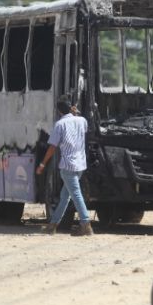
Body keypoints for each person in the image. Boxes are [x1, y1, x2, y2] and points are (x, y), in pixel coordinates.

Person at [37, 97, 92, 236]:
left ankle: (86, 224)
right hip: (80, 164)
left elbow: (52, 147)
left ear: (59, 111)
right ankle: (52, 225)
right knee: (65, 196)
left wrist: (43, 163)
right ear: (71, 108)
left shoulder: (60, 124)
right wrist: (76, 113)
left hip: (68, 165)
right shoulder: (82, 121)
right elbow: (83, 127)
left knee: (76, 195)